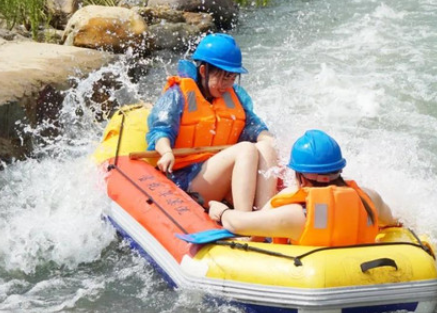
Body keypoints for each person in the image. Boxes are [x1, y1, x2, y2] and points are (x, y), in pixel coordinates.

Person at [146, 33, 277, 212]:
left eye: (232, 79)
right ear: (203, 71)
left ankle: (264, 216)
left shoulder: (233, 97)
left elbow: (253, 127)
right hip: (186, 180)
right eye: (223, 78)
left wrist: (268, 139)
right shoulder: (178, 96)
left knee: (266, 147)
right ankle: (243, 220)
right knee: (246, 149)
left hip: (220, 176)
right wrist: (166, 152)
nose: (227, 85)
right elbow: (160, 131)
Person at [207, 130, 397, 246]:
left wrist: (222, 211)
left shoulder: (296, 215)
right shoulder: (370, 198)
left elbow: (238, 224)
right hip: (365, 278)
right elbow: (393, 221)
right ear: (339, 169)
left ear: (300, 175)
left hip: (317, 285)